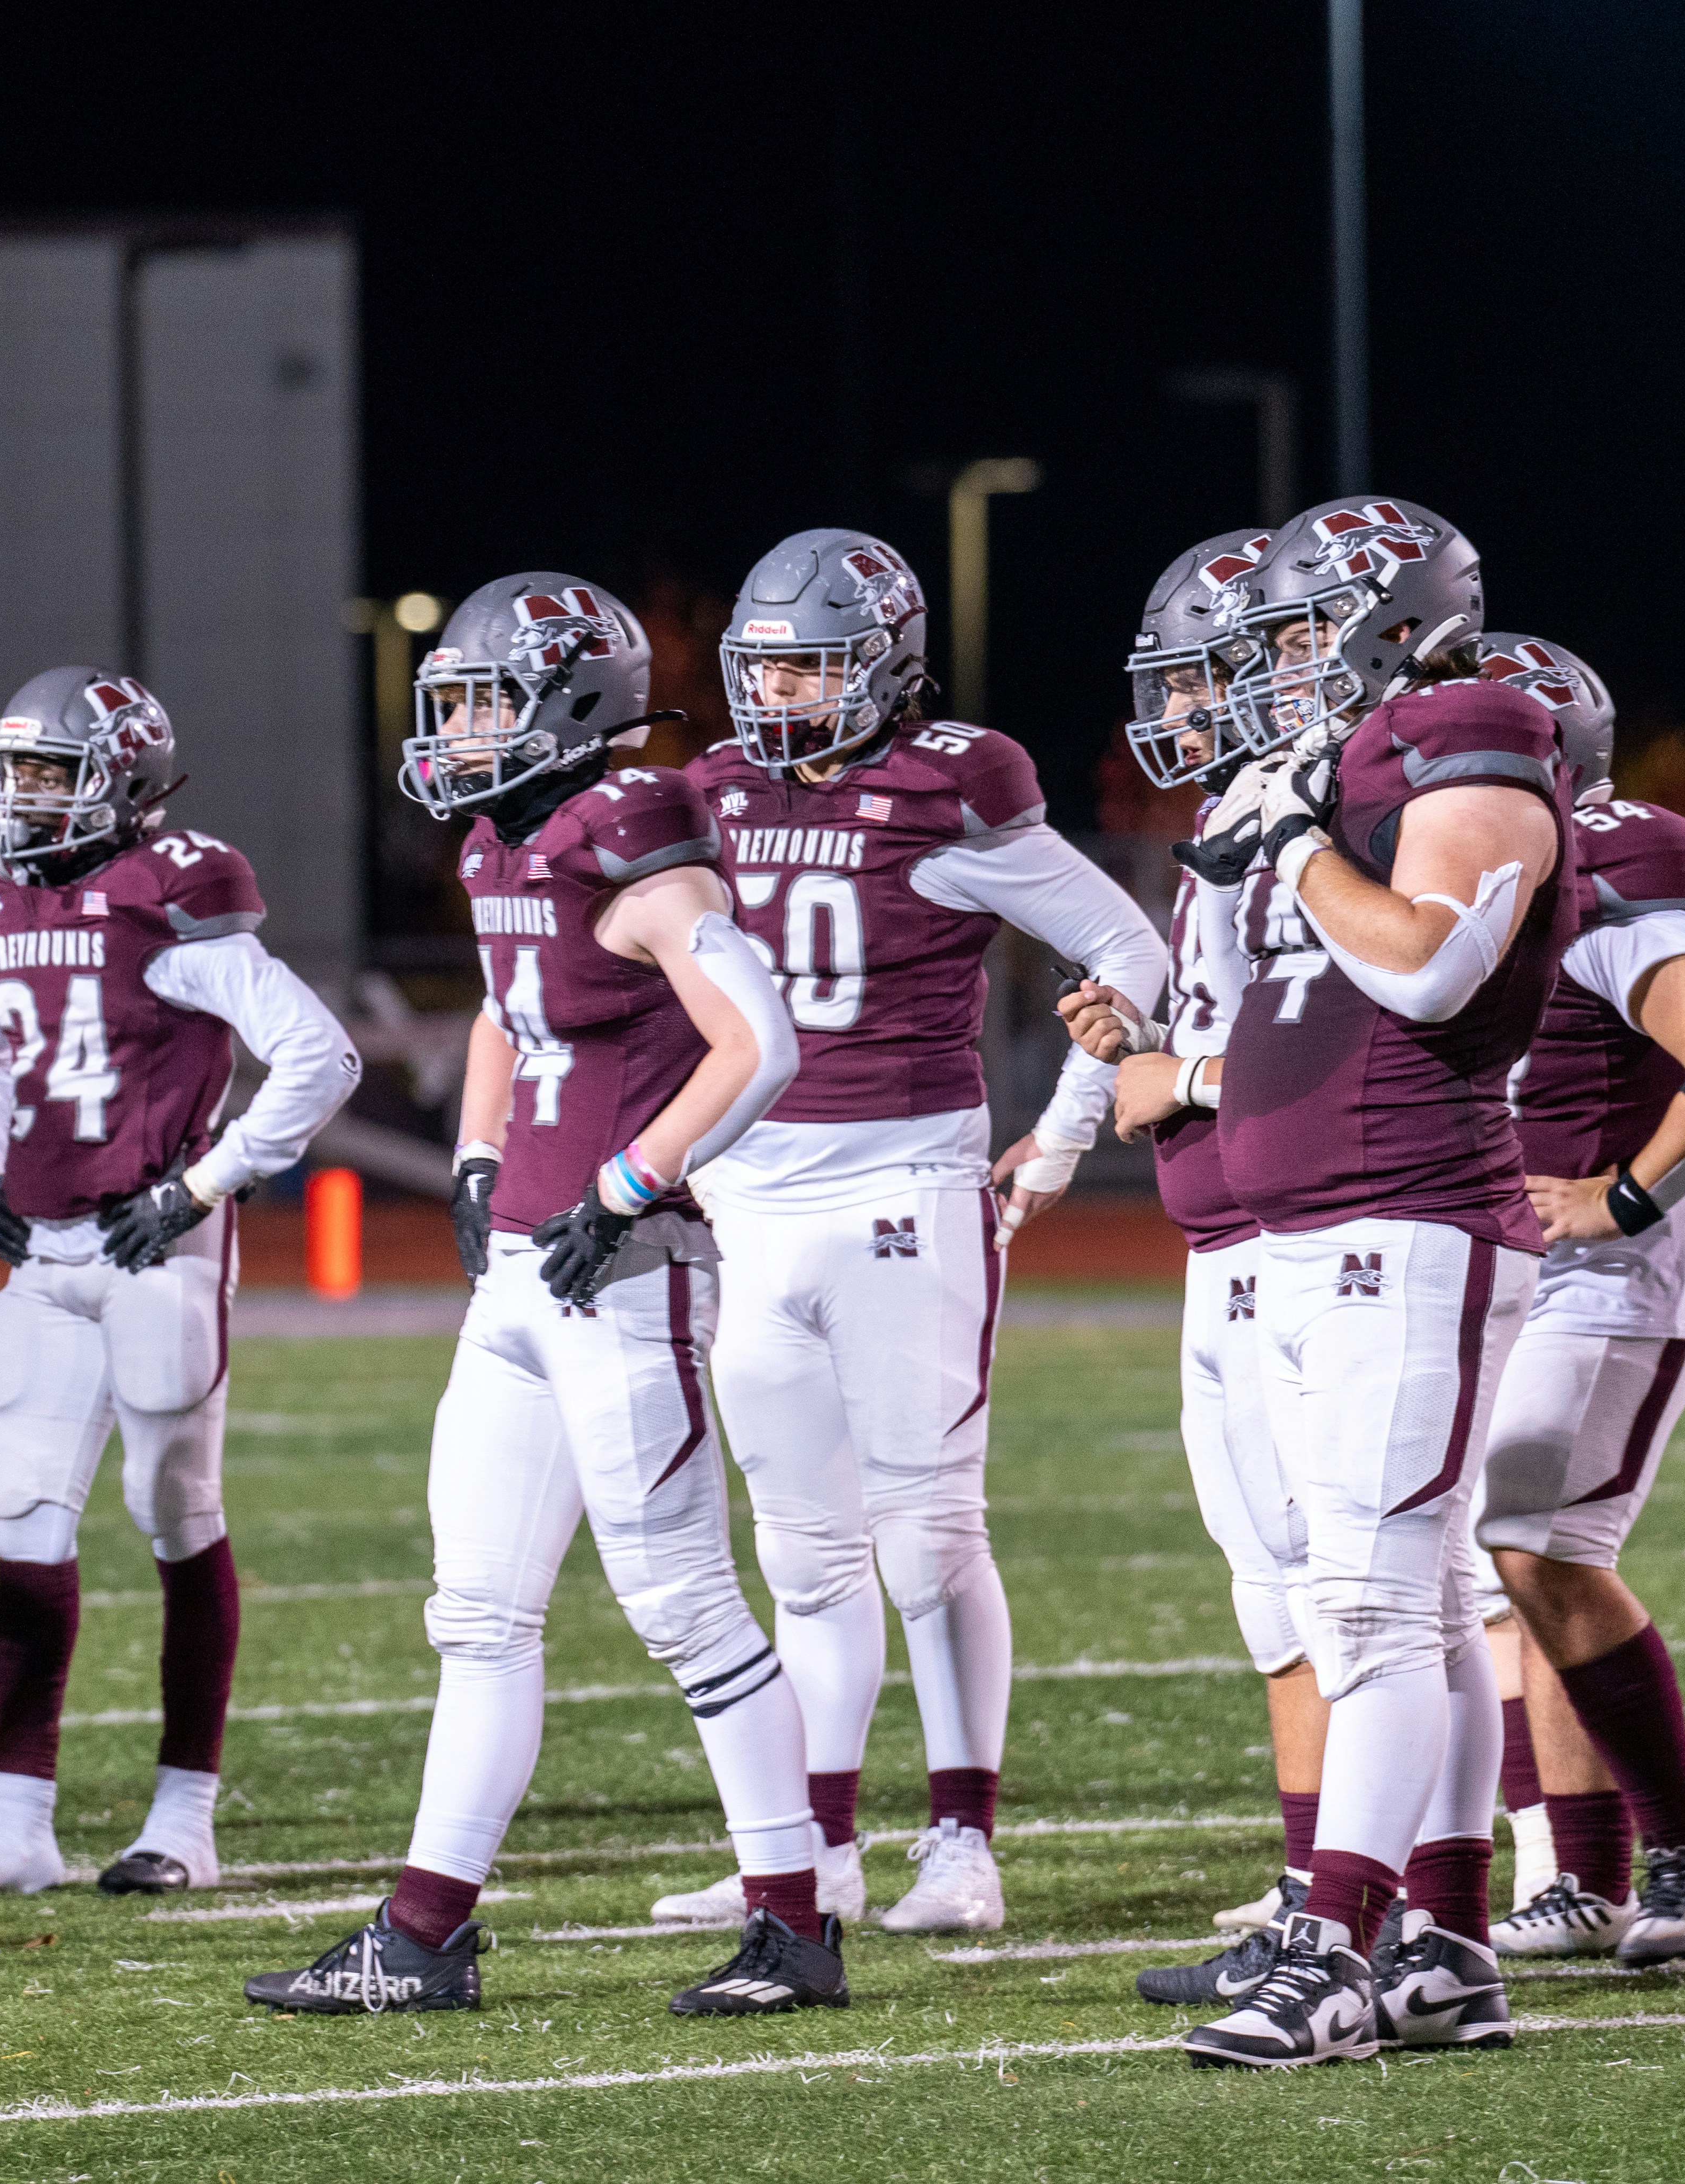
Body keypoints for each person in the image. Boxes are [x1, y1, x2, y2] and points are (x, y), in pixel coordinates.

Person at [249, 573, 836, 2018]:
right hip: (523, 1272)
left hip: (624, 1270)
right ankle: (423, 1930)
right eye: (444, 705)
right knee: (477, 1610)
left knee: (685, 1605)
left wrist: (630, 1182)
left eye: (477, 704)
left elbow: (757, 1046)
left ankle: (792, 1923)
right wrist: (472, 1154)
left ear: (568, 704)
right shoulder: (508, 843)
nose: (451, 733)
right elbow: (515, 1016)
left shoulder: (635, 845)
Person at [643, 530, 1167, 1936]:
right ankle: (813, 1852)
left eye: (813, 669)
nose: (784, 699)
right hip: (747, 1203)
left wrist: (1062, 1128)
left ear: (882, 666)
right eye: (765, 672)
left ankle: (958, 1840)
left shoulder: (950, 785)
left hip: (901, 1196)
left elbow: (1130, 954)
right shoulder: (703, 794)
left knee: (927, 1537)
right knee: (803, 1552)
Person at [1147, 497, 1568, 2067]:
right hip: (1323, 1233)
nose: (1274, 674)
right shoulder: (1336, 770)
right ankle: (1446, 1946)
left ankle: (1332, 1949)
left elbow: (1428, 965)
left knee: (1377, 1607)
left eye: (1298, 635)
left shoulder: (1465, 732)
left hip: (1410, 1220)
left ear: (1391, 622)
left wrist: (1302, 844)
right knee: (1403, 1604)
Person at [0, 667, 358, 1899]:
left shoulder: (171, 892)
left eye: (51, 773)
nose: (25, 798)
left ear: (127, 779)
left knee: (174, 1508)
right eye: (17, 774)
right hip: (44, 1250)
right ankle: (17, 1821)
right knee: (23, 1518)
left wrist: (208, 1182)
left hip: (159, 1242)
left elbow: (319, 1052)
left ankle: (184, 1814)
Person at [1470, 636, 1685, 1967]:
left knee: (1544, 1549)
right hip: (1501, 1261)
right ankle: (1584, 1873)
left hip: (1606, 1275)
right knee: (1513, 1562)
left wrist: (1624, 1198)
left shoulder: (1610, 870)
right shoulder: (1472, 869)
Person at [1055, 529, 1343, 2006]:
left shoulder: (1323, 805)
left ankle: (1466, 1886)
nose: (1171, 710)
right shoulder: (1249, 807)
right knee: (1275, 1591)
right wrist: (1143, 1047)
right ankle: (1317, 1892)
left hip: (1296, 1240)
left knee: (1362, 1588)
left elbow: (1348, 1021)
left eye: (1197, 677)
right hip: (1225, 1242)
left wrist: (1179, 1067)